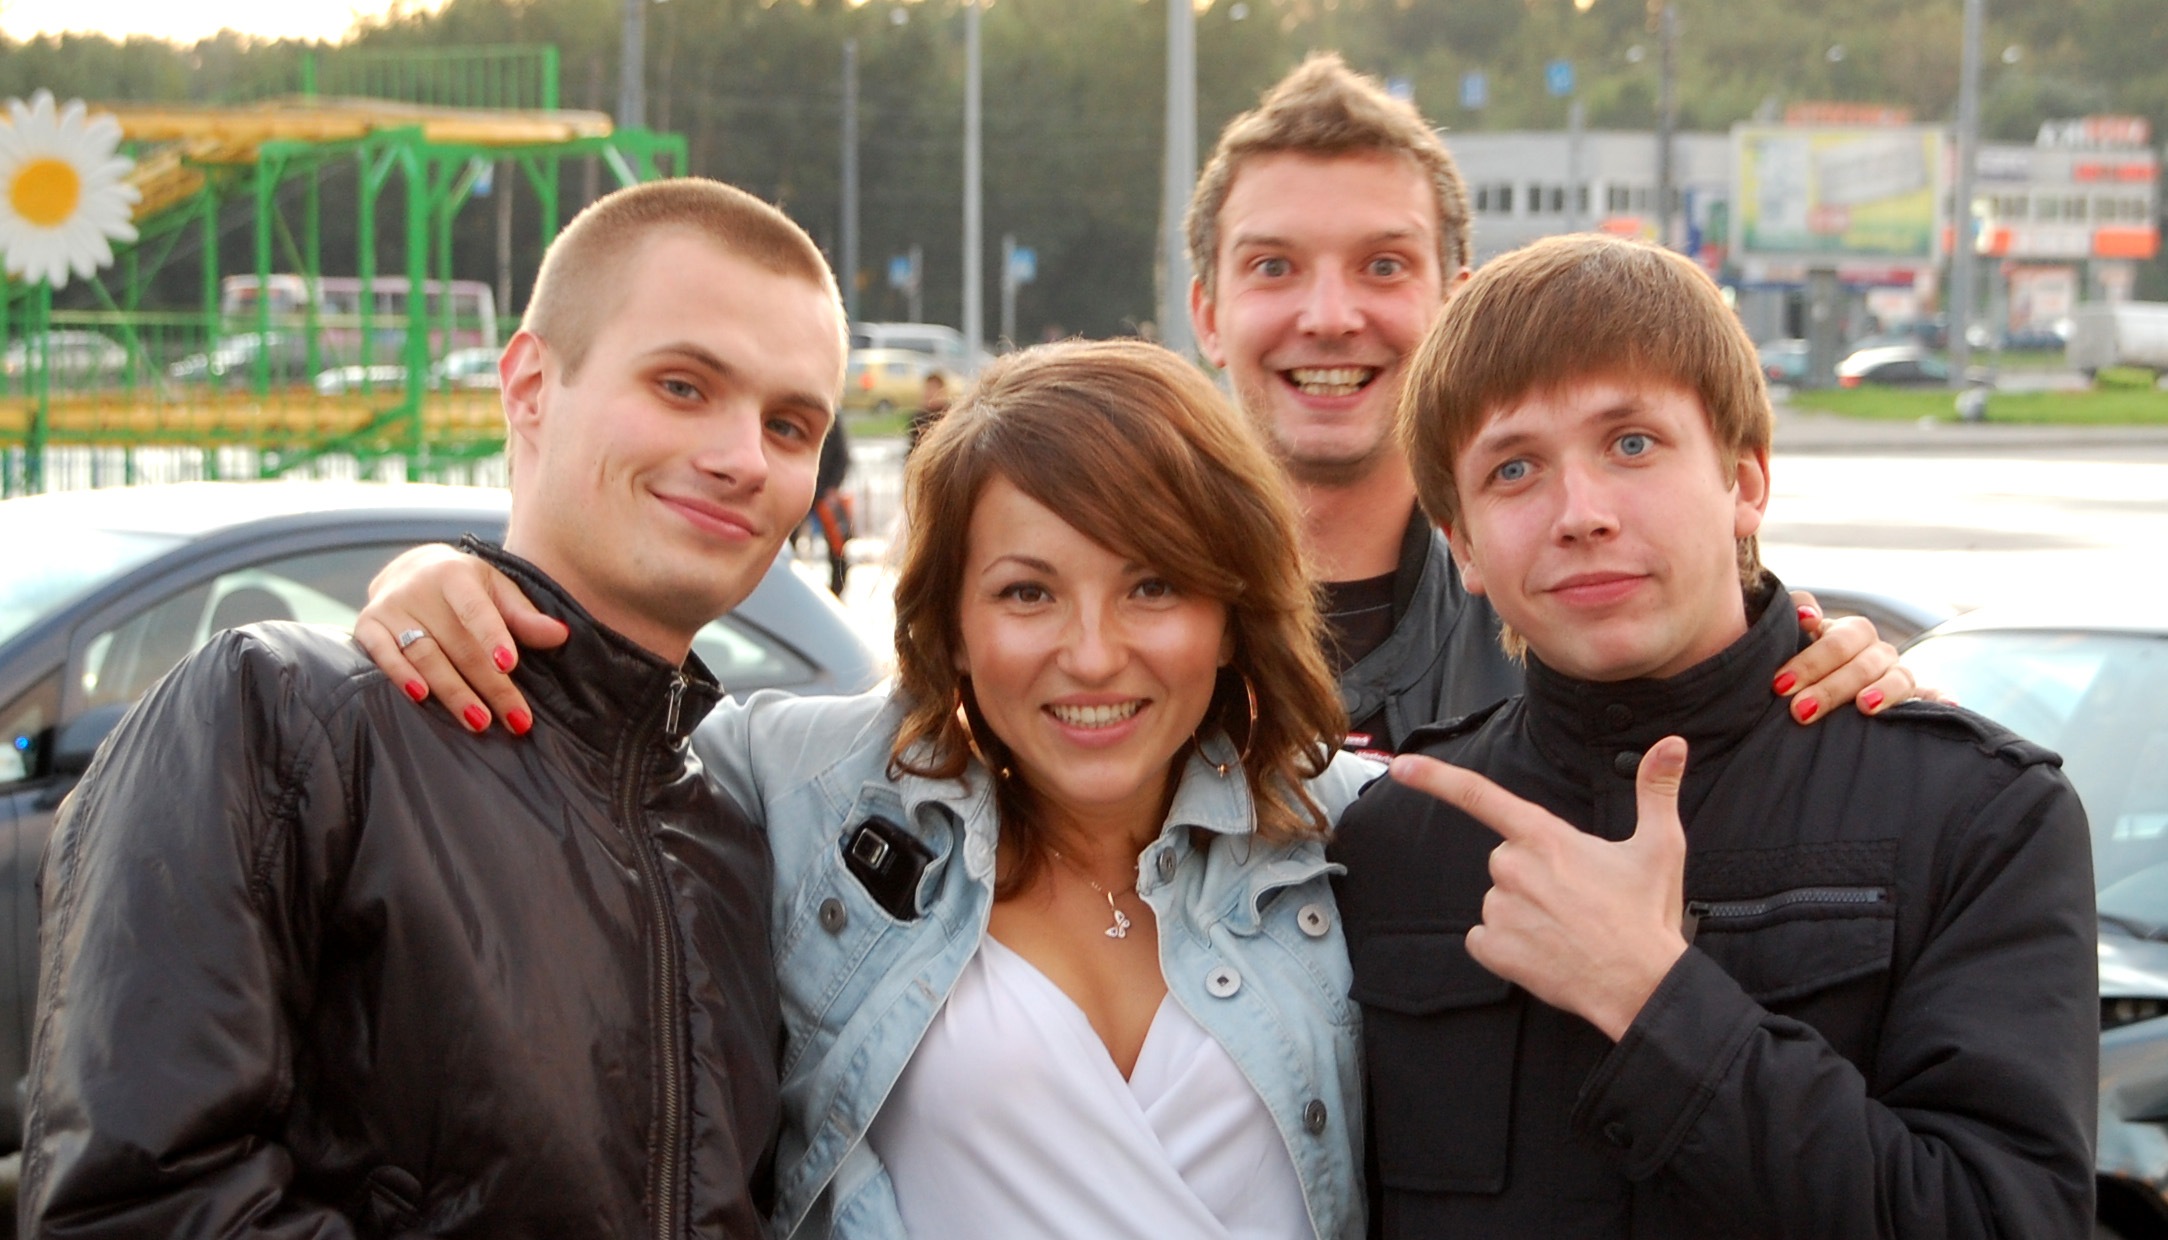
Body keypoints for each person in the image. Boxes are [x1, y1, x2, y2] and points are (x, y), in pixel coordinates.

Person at [358, 338, 1374, 1238]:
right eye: (1027, 592)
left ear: (1231, 614)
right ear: (953, 626)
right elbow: (595, 729)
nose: (1094, 653)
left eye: (1152, 586)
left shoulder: (1347, 833)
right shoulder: (809, 788)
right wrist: (444, 578)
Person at [20, 177, 847, 1237]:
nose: (743, 459)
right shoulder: (284, 720)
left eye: (789, 425)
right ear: (531, 386)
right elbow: (136, 1206)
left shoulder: (737, 832)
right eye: (683, 386)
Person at [1332, 234, 2097, 1236]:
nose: (1580, 514)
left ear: (1744, 481)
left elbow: (2006, 1217)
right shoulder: (1389, 842)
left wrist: (1653, 1000)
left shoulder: (1977, 816)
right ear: (1461, 545)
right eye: (1513, 468)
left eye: (1631, 444)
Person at [1183, 53, 1914, 754]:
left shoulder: (1591, 600)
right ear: (1208, 316)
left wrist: (1841, 710)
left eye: (1383, 265)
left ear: (1453, 305)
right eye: (1273, 266)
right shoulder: (1127, 612)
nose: (1329, 317)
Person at [810, 416, 854, 595]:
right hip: (811, 486)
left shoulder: (833, 421)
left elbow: (842, 457)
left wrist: (832, 487)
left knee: (835, 542)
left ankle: (838, 584)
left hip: (823, 491)